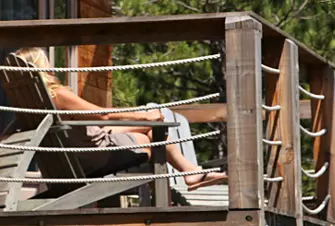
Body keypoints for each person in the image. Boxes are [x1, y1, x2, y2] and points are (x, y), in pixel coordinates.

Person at [13, 47, 227, 190]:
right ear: (42, 66)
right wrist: (142, 114)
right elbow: (102, 114)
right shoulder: (57, 94)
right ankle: (188, 175)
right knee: (153, 134)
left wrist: (142, 118)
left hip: (79, 149)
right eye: (47, 61)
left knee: (151, 125)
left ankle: (190, 172)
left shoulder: (30, 101)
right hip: (91, 156)